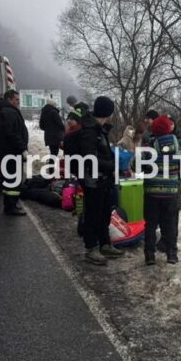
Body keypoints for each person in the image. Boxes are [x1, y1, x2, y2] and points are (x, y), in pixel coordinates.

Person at [77, 96, 124, 265]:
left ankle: (105, 244)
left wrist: (114, 161)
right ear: (107, 112)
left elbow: (103, 153)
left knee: (105, 213)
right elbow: (88, 158)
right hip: (93, 180)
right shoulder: (90, 130)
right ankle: (91, 249)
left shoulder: (100, 128)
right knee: (93, 214)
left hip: (103, 179)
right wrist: (112, 167)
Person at [142, 115, 181, 265]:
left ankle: (150, 255)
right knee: (170, 223)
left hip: (152, 192)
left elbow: (136, 166)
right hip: (171, 193)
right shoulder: (177, 147)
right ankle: (172, 254)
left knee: (151, 224)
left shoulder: (149, 147)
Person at [0, 89, 29, 216]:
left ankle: (10, 204)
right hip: (12, 152)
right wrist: (22, 148)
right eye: (16, 100)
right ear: (9, 99)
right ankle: (11, 206)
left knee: (9, 179)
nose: (18, 102)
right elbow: (12, 133)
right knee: (13, 180)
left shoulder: (2, 111)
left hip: (6, 152)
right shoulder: (8, 112)